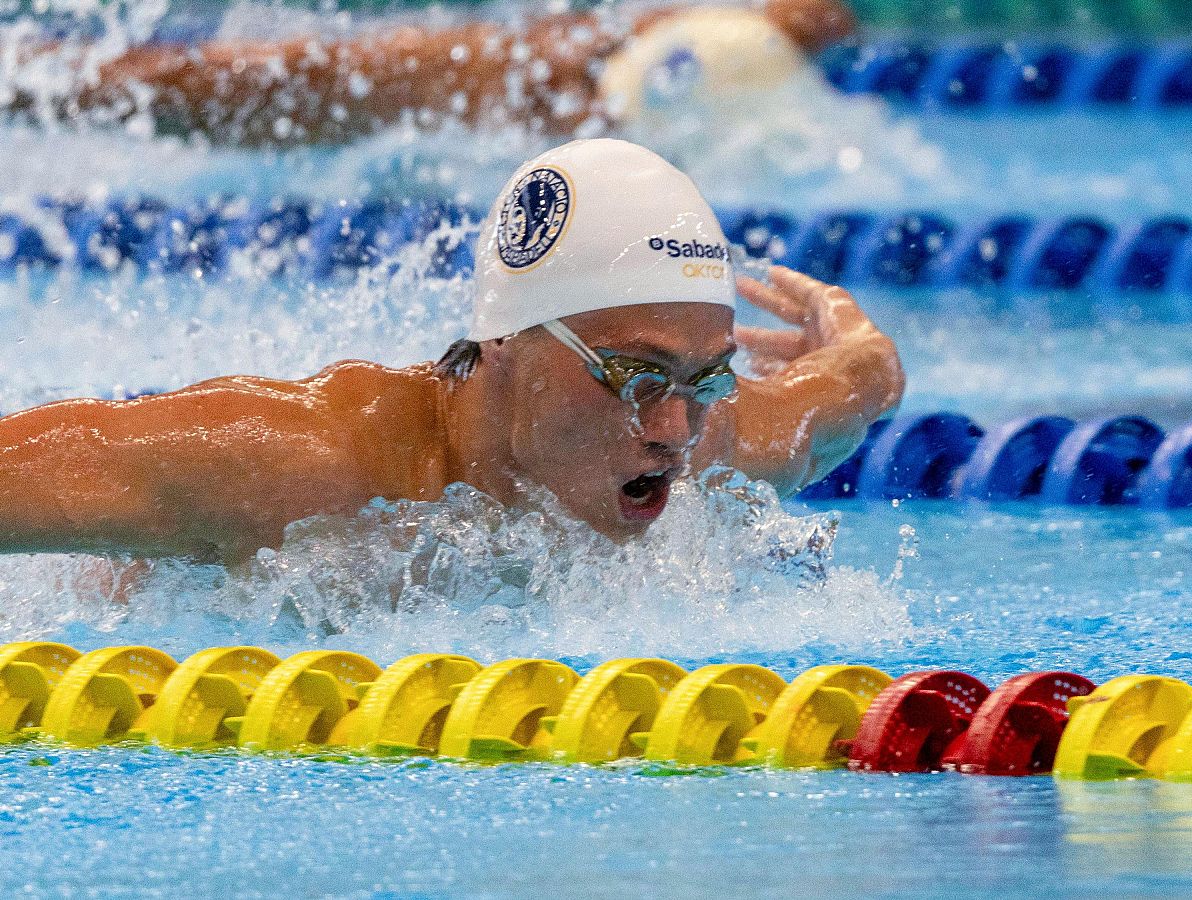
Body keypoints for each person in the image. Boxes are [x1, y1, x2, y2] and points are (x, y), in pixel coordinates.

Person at [0, 138, 903, 564]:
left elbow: (855, 386)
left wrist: (859, 346)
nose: (672, 428)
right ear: (505, 340)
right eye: (634, 376)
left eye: (708, 377)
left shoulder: (707, 442)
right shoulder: (301, 468)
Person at [23, 0, 856, 145]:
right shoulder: (517, 68)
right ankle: (25, 79)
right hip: (471, 73)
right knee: (182, 88)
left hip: (505, 85)